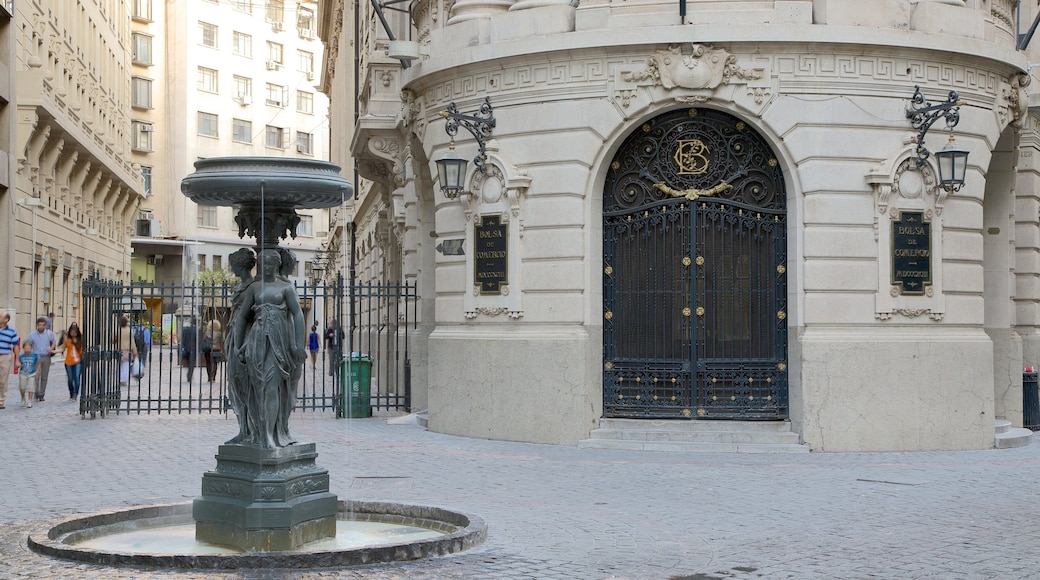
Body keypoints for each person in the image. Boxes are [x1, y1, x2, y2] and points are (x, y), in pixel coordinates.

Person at [232, 249, 307, 448]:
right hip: (257, 340)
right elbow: (241, 318)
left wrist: (299, 344)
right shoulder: (254, 288)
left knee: (271, 387)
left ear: (276, 265)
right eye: (262, 264)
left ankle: (271, 433)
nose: (265, 267)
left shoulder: (286, 288)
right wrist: (238, 345)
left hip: (278, 342)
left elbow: (298, 315)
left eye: (269, 264)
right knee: (258, 389)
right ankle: (260, 433)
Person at [225, 248, 257, 444]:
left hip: (245, 340)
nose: (231, 267)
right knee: (235, 386)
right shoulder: (241, 287)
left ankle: (251, 430)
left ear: (240, 264)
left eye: (233, 264)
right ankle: (242, 429)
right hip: (234, 338)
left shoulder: (253, 287)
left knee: (246, 386)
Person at [27, 317, 57, 402]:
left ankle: (42, 394)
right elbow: (29, 344)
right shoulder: (32, 335)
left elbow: (54, 341)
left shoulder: (49, 333)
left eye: (43, 325)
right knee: (36, 376)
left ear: (45, 325)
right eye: (39, 325)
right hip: (36, 356)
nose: (41, 327)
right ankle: (36, 392)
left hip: (46, 356)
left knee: (44, 376)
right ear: (37, 325)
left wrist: (51, 348)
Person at [57, 322, 84, 400]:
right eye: (72, 331)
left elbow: (84, 349)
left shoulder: (80, 339)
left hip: (78, 361)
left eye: (74, 332)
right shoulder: (67, 339)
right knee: (70, 378)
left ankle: (75, 394)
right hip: (68, 361)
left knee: (77, 378)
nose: (73, 333)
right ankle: (71, 392)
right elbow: (63, 348)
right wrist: (53, 351)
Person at [0, 313, 18, 409]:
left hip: (5, 357)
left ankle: (1, 401)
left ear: (6, 319)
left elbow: (16, 346)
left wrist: (17, 360)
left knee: (3, 380)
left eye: (0, 316)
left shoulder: (12, 332)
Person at [113, 316, 137, 386]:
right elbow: (132, 342)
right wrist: (135, 352)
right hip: (127, 350)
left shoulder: (117, 330)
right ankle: (124, 380)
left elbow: (113, 340)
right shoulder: (129, 331)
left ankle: (120, 378)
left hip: (119, 350)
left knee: (119, 366)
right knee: (126, 366)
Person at [203, 318, 224, 384]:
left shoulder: (207, 333)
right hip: (216, 349)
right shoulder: (219, 333)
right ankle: (213, 377)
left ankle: (209, 377)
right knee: (215, 363)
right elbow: (222, 341)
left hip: (208, 349)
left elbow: (204, 340)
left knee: (208, 363)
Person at [17, 341, 37, 408]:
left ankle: (30, 400)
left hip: (32, 373)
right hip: (23, 373)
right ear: (23, 348)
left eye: (29, 348)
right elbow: (18, 363)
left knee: (31, 387)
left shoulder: (34, 356)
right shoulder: (21, 356)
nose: (27, 349)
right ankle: (23, 398)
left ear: (31, 348)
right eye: (26, 348)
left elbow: (38, 363)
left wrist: (37, 371)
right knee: (22, 387)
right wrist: (18, 365)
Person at [180, 316, 199, 383]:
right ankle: (189, 375)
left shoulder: (186, 329)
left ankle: (189, 373)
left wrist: (183, 346)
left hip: (186, 348)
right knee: (192, 363)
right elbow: (198, 341)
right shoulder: (197, 330)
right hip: (193, 349)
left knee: (188, 362)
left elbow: (183, 339)